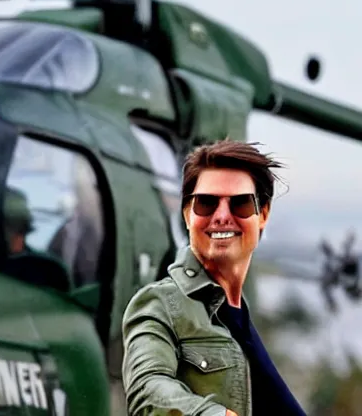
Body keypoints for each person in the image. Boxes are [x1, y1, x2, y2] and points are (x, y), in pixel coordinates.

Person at [122, 139, 307, 416]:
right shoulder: (160, 304)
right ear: (187, 215)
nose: (222, 216)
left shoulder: (238, 317)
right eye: (206, 203)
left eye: (240, 204)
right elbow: (147, 389)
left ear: (263, 215)